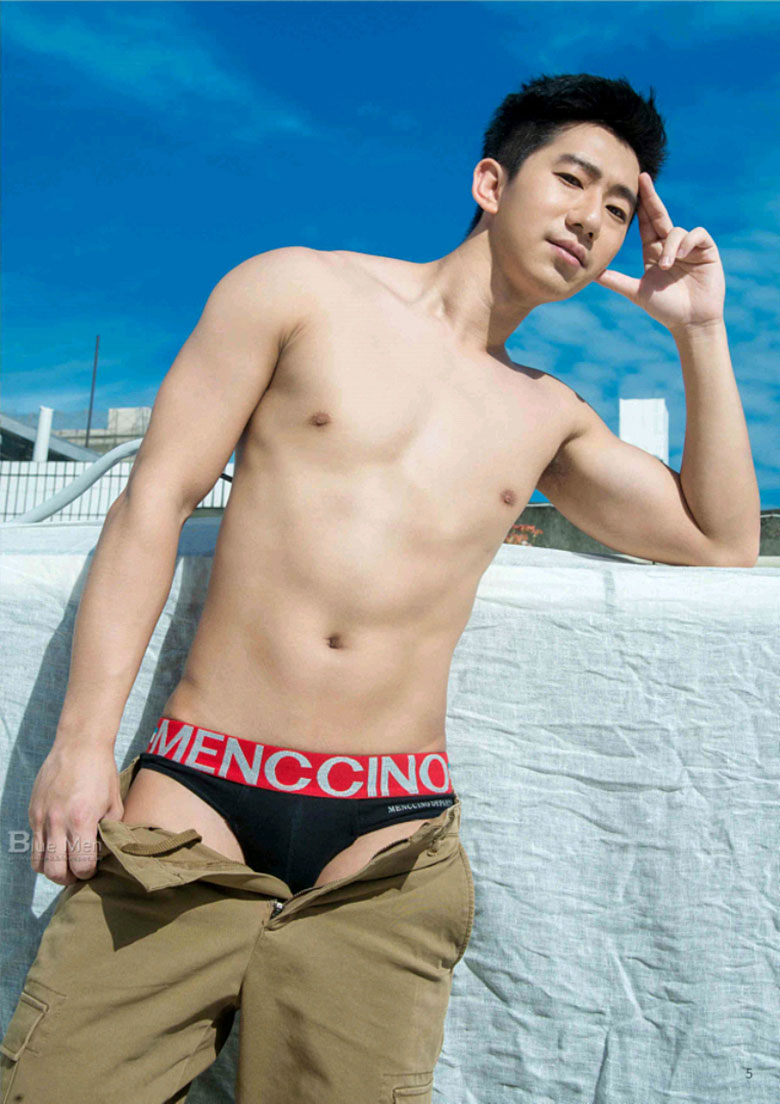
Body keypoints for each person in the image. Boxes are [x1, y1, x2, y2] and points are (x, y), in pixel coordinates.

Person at [1, 71, 759, 1103]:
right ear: (492, 182)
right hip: (195, 799)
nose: (593, 219)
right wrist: (84, 745)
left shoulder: (548, 415)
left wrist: (700, 332)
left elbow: (721, 538)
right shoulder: (295, 292)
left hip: (388, 844)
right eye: (573, 180)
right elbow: (152, 504)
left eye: (621, 209)